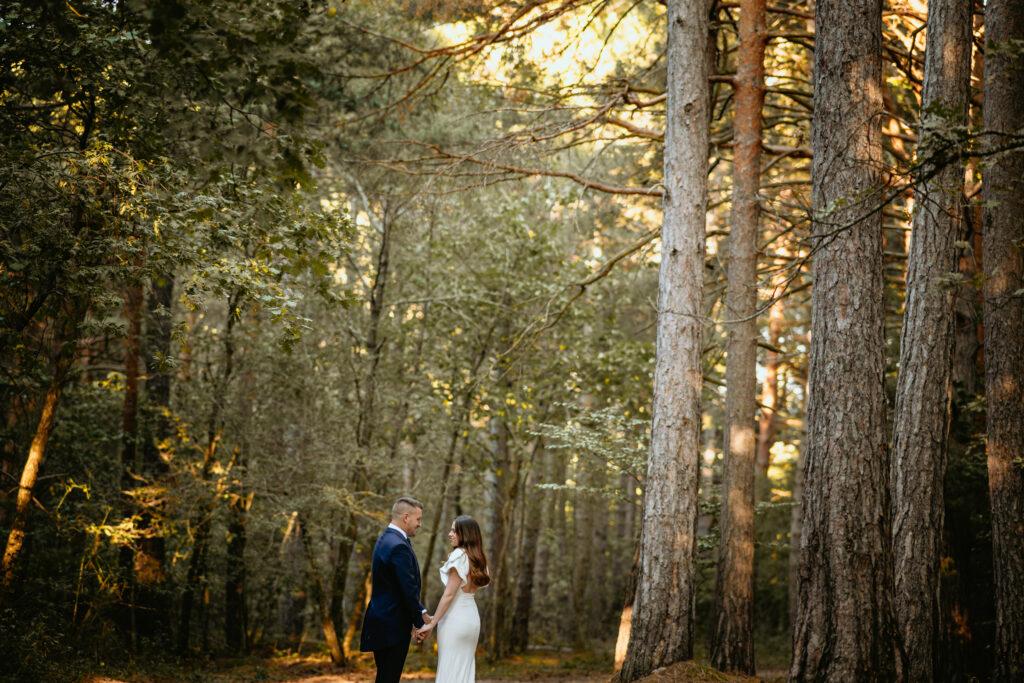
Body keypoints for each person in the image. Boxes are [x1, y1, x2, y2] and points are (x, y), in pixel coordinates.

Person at [360, 497, 433, 683]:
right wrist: (419, 622)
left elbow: (396, 586)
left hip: (382, 620)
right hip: (392, 625)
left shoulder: (386, 538)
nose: (420, 524)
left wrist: (421, 611)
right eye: (418, 519)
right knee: (389, 678)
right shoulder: (398, 545)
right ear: (406, 517)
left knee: (385, 677)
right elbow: (407, 589)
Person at [414, 515, 490, 683]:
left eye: (454, 530)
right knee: (464, 670)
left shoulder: (459, 556)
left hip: (455, 621)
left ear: (466, 534)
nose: (450, 534)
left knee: (449, 669)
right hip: (471, 619)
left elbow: (449, 595)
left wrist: (432, 623)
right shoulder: (478, 558)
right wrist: (436, 618)